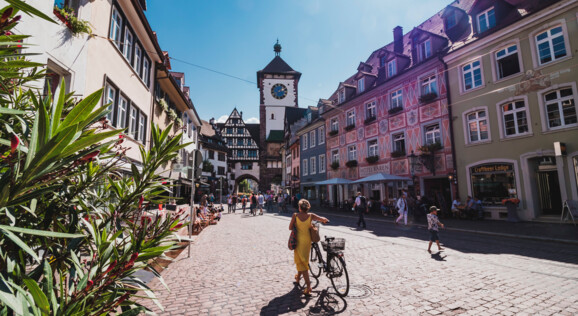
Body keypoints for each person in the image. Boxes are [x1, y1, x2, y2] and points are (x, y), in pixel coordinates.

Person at [289, 199, 329, 296]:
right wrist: (325, 220)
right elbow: (321, 218)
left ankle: (308, 286)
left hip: (298, 241)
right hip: (307, 241)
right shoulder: (311, 215)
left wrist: (296, 224)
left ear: (299, 207)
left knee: (303, 263)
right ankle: (298, 278)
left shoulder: (295, 215)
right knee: (302, 260)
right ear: (308, 207)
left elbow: (290, 228)